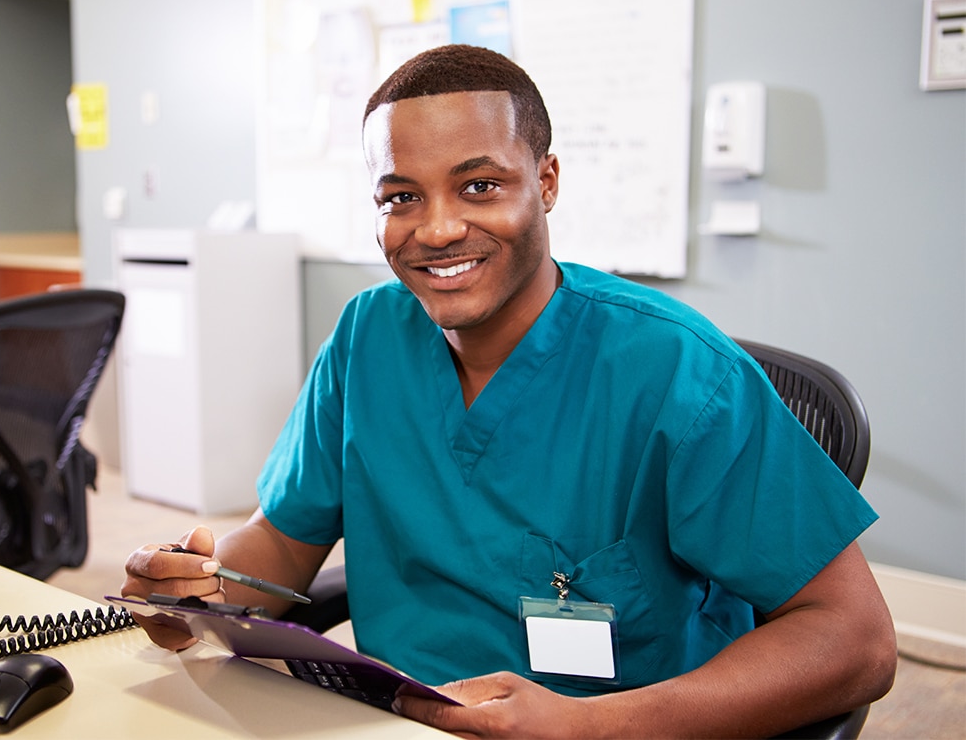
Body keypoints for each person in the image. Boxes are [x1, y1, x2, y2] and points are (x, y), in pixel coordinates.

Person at [123, 44, 895, 738]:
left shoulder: (679, 371)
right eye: (400, 198)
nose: (436, 230)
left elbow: (855, 640)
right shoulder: (366, 337)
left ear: (546, 182)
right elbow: (284, 540)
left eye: (480, 185)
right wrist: (197, 590)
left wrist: (589, 727)